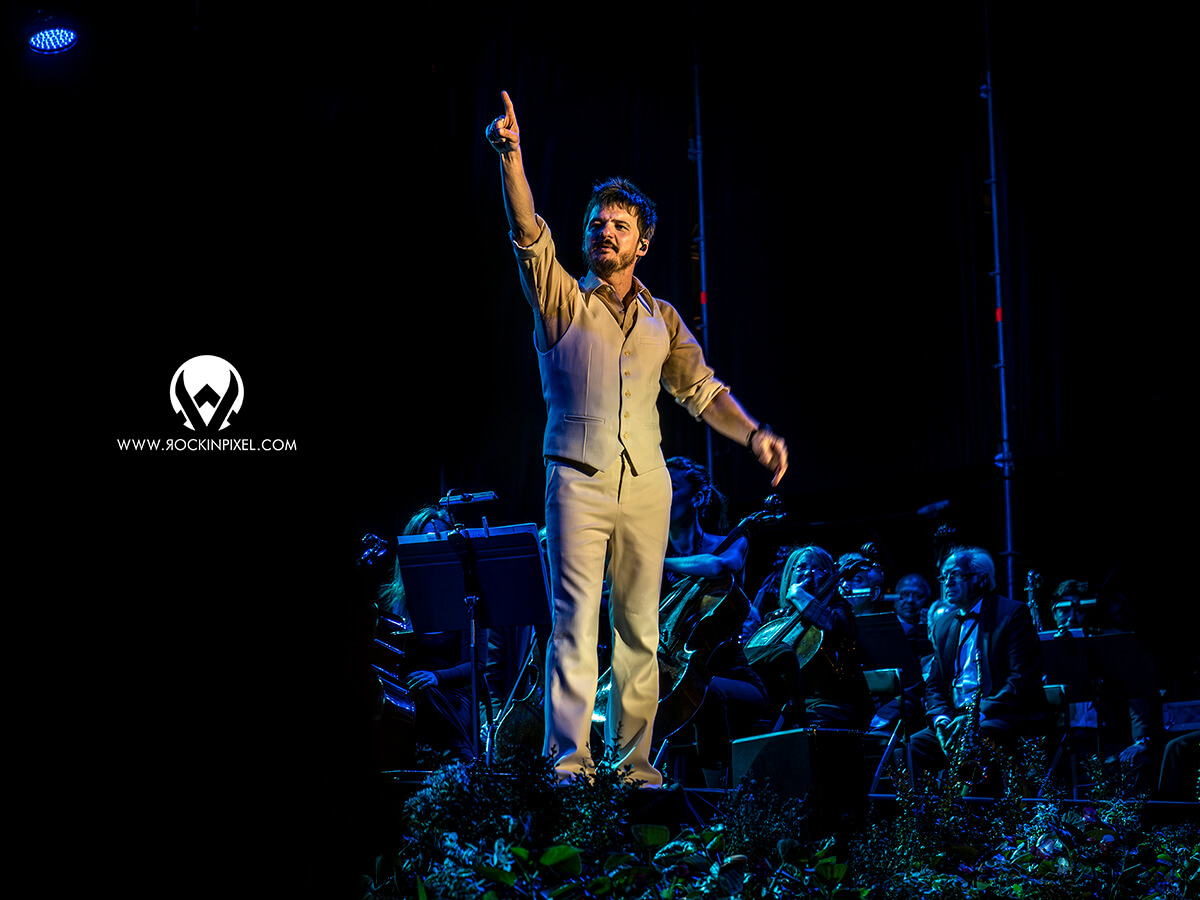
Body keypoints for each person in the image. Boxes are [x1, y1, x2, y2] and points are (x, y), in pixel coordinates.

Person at [487, 92, 788, 785]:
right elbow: (528, 232)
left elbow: (702, 389)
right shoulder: (562, 298)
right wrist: (513, 158)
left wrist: (754, 436)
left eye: (618, 225)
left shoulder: (663, 318)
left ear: (642, 243)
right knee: (573, 624)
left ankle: (634, 766)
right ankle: (569, 764)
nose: (604, 231)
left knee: (640, 631)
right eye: (596, 223)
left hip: (646, 484)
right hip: (576, 477)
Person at [662, 456, 768, 788]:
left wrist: (656, 561)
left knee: (704, 692)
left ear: (697, 498)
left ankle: (718, 800)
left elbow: (720, 566)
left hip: (734, 678)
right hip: (671, 674)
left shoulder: (733, 542)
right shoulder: (651, 551)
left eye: (671, 486)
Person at [909, 546, 1048, 782]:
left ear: (982, 579)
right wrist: (941, 720)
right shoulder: (943, 625)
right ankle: (928, 808)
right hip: (955, 718)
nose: (947, 582)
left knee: (976, 739)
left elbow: (1021, 681)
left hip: (1000, 715)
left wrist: (977, 715)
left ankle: (976, 805)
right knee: (912, 748)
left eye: (955, 575)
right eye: (944, 576)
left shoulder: (1012, 614)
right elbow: (934, 685)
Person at [376, 506, 487, 763]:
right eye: (426, 543)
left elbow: (476, 664)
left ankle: (465, 758)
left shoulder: (468, 598)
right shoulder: (394, 601)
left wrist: (436, 677)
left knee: (425, 694)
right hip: (410, 690)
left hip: (453, 694)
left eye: (440, 542)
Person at [745, 544, 874, 730]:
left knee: (798, 730)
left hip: (829, 702)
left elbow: (832, 625)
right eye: (801, 567)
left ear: (829, 576)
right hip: (786, 704)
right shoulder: (776, 619)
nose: (808, 573)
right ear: (789, 575)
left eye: (817, 569)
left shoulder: (840, 610)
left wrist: (799, 595)